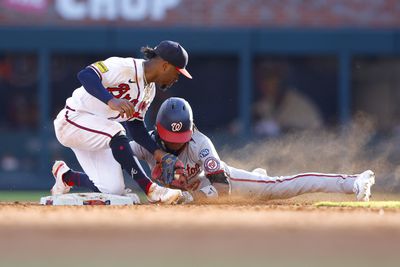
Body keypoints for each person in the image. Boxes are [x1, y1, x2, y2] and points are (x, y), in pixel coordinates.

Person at [53, 97, 375, 202]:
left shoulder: (201, 145)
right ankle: (66, 177)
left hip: (214, 186)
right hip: (176, 194)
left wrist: (195, 196)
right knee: (120, 194)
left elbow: (222, 186)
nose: (175, 144)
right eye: (168, 139)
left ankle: (353, 182)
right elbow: (113, 157)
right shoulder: (147, 143)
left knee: (277, 187)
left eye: (181, 139)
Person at [52, 40, 193, 204]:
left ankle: (65, 176)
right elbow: (86, 75)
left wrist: (158, 152)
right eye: (177, 73)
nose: (176, 78)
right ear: (165, 66)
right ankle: (151, 190)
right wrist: (110, 100)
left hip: (97, 133)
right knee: (115, 130)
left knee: (113, 190)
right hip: (72, 121)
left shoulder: (149, 91)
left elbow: (135, 126)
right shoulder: (124, 67)